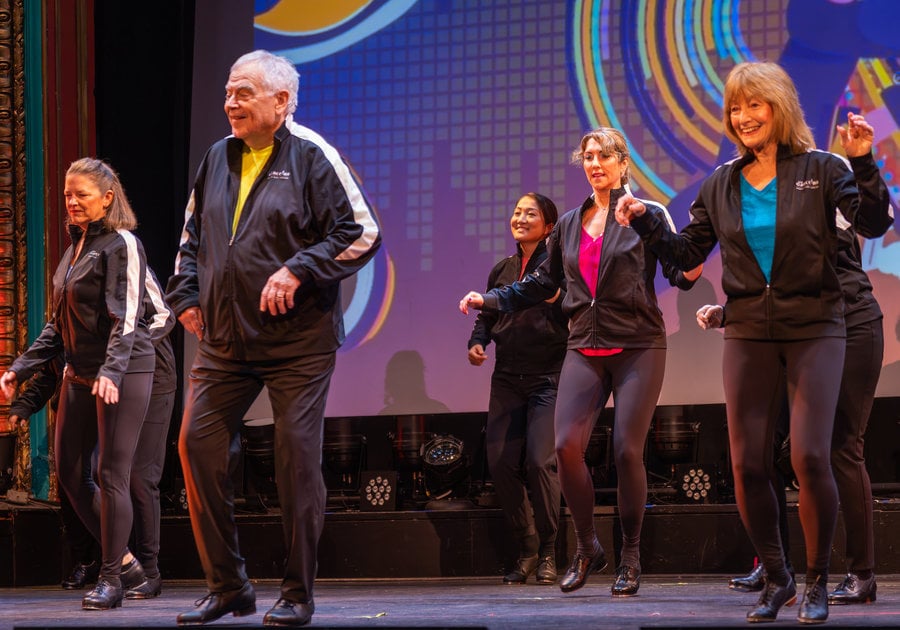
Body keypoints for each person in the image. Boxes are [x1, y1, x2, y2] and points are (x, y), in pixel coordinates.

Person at [616, 61, 892, 623]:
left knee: (811, 453)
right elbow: (687, 257)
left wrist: (863, 161)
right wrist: (648, 221)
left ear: (779, 109)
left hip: (817, 323)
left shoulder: (821, 168)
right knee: (746, 465)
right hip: (748, 332)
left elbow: (873, 224)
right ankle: (778, 575)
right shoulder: (720, 183)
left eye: (754, 105)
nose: (743, 117)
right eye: (735, 108)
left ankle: (818, 579)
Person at [166, 49, 381, 627]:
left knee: (295, 460)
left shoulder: (312, 155)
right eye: (229, 92)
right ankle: (229, 585)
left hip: (297, 343)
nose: (231, 103)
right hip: (225, 341)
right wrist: (186, 296)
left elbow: (362, 232)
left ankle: (297, 592)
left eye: (244, 93)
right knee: (197, 446)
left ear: (281, 101)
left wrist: (299, 268)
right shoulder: (217, 157)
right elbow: (191, 239)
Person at [460, 128, 700, 597]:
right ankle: (587, 546)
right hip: (583, 346)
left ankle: (630, 555)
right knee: (566, 446)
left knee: (627, 450)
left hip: (637, 345)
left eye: (604, 156)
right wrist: (488, 299)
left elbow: (680, 271)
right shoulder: (569, 223)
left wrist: (680, 251)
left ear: (622, 163)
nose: (595, 163)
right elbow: (539, 284)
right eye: (588, 157)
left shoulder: (647, 214)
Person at [702, 189, 893, 605]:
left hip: (850, 324)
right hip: (792, 333)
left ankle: (862, 573)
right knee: (765, 450)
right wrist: (730, 312)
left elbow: (874, 221)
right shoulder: (758, 202)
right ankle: (777, 567)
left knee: (842, 448)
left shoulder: (826, 184)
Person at [0, 157, 156, 610]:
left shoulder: (122, 243)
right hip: (80, 373)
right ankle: (125, 560)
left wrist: (111, 372)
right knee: (70, 471)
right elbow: (57, 328)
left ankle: (111, 579)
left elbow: (126, 316)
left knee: (112, 474)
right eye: (67, 194)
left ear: (107, 198)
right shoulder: (76, 248)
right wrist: (19, 368)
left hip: (124, 371)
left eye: (81, 194)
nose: (71, 202)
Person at [6, 268, 177, 599]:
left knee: (139, 477)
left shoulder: (126, 254)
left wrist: (125, 351)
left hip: (149, 375)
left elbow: (163, 316)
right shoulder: (73, 264)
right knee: (86, 472)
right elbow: (60, 345)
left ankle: (149, 571)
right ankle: (116, 563)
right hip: (101, 379)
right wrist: (24, 405)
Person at [466, 193, 567, 585]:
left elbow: (572, 308)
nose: (520, 219)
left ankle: (549, 551)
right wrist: (479, 342)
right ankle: (526, 546)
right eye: (517, 212)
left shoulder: (556, 268)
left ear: (549, 227)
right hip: (507, 377)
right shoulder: (502, 269)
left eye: (531, 214)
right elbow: (488, 315)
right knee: (502, 464)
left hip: (549, 375)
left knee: (541, 463)